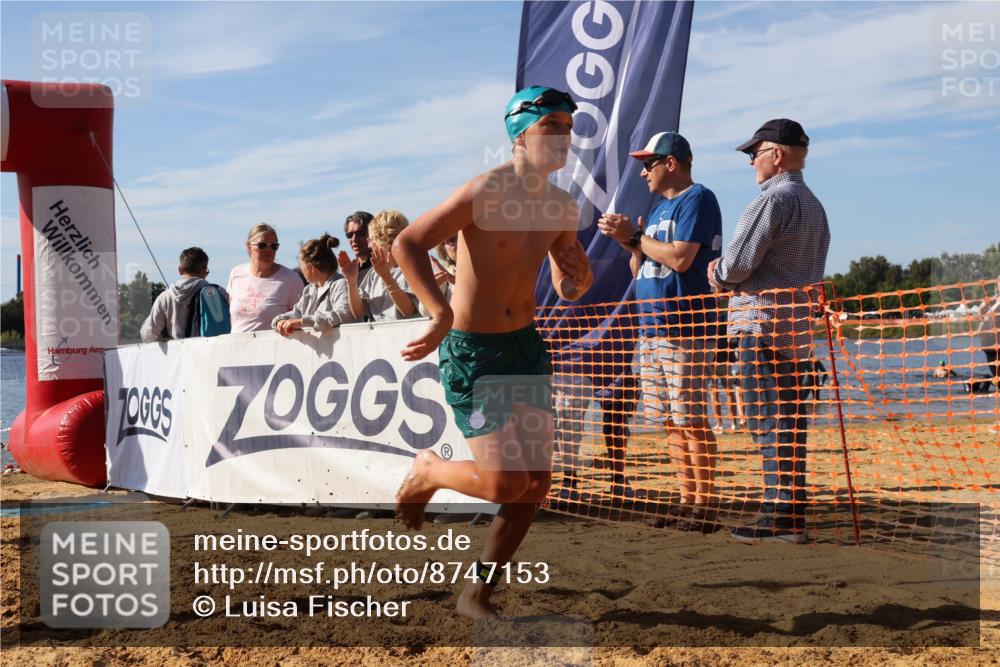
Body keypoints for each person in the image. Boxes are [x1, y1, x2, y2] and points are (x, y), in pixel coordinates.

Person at [392, 85, 593, 619]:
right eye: (552, 125)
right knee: (506, 480)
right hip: (475, 352)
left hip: (525, 347)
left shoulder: (562, 205)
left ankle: (476, 594)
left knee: (534, 487)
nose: (564, 137)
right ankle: (430, 471)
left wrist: (577, 278)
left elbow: (565, 280)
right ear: (519, 133)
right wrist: (438, 314)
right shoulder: (486, 190)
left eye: (569, 128)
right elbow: (407, 243)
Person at [707, 118, 830, 544]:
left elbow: (736, 265)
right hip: (796, 329)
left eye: (754, 153)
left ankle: (777, 514)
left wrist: (717, 274)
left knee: (766, 421)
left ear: (776, 154)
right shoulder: (813, 204)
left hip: (760, 324)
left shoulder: (771, 200)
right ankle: (792, 516)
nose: (751, 163)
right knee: (792, 422)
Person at [597, 131, 722, 530]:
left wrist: (636, 238)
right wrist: (631, 245)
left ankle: (705, 505)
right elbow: (641, 269)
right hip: (652, 328)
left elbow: (682, 259)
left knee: (690, 416)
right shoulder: (656, 208)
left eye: (648, 164)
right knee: (670, 419)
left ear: (672, 163)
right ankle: (686, 503)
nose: (642, 173)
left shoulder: (698, 199)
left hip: (685, 326)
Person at [340, 209, 419, 321]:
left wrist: (387, 277)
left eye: (371, 239)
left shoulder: (412, 268)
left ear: (386, 238)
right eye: (349, 235)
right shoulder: (374, 274)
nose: (369, 244)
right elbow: (359, 313)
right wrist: (351, 282)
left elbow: (409, 311)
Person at [272, 233, 355, 335]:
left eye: (301, 267)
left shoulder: (341, 285)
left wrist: (302, 322)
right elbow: (296, 313)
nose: (301, 271)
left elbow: (342, 315)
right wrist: (279, 322)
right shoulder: (308, 290)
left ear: (311, 268)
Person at [227, 224, 304, 333]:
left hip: (276, 348)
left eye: (274, 246)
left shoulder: (291, 279)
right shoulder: (236, 274)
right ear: (249, 248)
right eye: (262, 245)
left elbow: (302, 320)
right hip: (237, 348)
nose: (269, 250)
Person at [140, 247, 226, 343]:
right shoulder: (218, 293)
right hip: (210, 353)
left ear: (180, 270)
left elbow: (148, 335)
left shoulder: (164, 298)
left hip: (179, 355)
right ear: (204, 270)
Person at [975, 277, 1000, 384]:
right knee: (996, 377)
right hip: (988, 347)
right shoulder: (992, 300)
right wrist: (981, 309)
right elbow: (980, 319)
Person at [344, 211, 374, 281]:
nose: (354, 239)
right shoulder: (348, 272)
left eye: (360, 233)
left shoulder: (385, 267)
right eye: (350, 235)